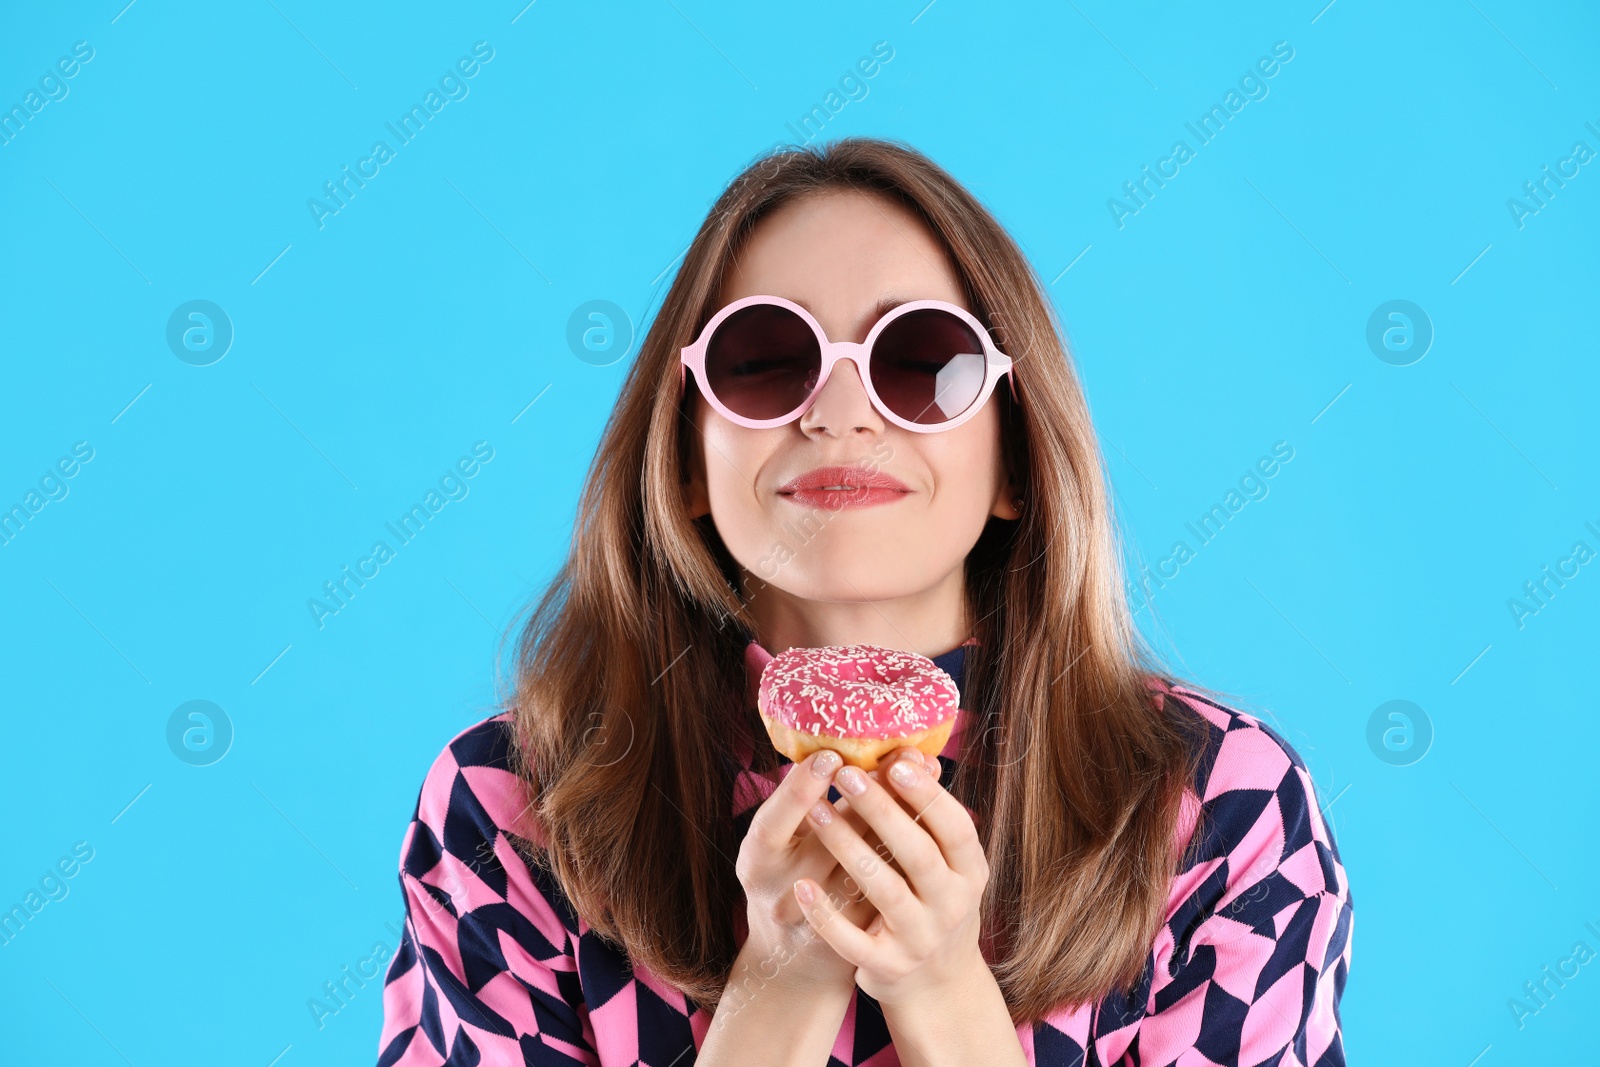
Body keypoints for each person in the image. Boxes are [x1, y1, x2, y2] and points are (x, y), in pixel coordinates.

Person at [374, 138, 1353, 1066]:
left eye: (921, 361)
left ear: (1014, 457)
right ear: (685, 462)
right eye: (765, 360)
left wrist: (941, 992)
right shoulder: (517, 802)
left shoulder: (1213, 801)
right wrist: (777, 988)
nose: (840, 411)